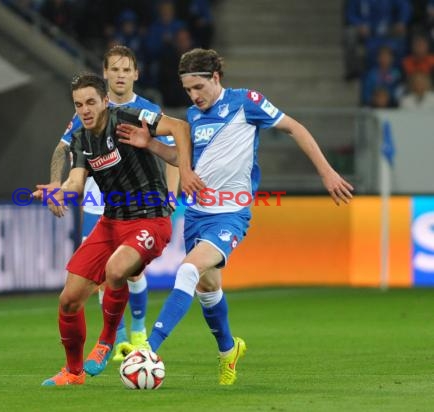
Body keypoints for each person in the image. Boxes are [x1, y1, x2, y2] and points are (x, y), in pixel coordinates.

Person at [116, 48, 354, 385]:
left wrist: (326, 172)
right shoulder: (193, 116)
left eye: (198, 87)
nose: (194, 96)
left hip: (230, 215)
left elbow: (296, 128)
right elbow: (183, 160)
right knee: (207, 287)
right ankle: (229, 350)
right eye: (187, 90)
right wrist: (150, 144)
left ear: (215, 78)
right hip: (197, 214)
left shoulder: (247, 102)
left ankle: (149, 349)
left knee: (186, 270)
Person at [33, 72, 200, 386]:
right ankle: (74, 372)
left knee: (116, 269)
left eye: (91, 102)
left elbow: (180, 127)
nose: (85, 109)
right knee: (68, 300)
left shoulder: (129, 117)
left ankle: (107, 341)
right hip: (111, 222)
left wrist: (185, 170)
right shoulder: (82, 138)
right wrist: (60, 192)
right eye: (79, 104)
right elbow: (78, 181)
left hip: (151, 219)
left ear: (105, 101)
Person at [48, 45, 179, 364]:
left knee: (128, 271)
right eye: (114, 70)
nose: (120, 75)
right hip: (98, 200)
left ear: (135, 74)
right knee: (99, 276)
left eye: (126, 69)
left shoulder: (145, 110)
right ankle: (116, 338)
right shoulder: (85, 114)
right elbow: (62, 150)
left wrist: (172, 196)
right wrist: (57, 185)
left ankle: (135, 331)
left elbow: (173, 152)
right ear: (105, 75)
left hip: (141, 206)